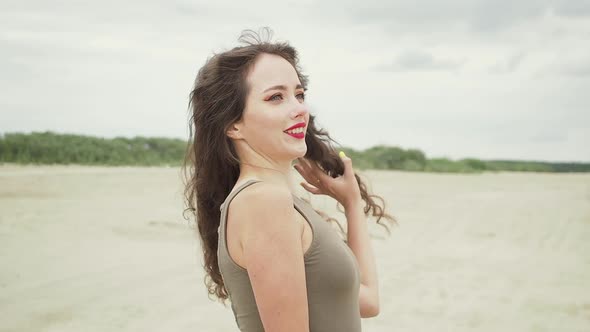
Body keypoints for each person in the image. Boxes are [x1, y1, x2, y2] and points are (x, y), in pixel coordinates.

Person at [183, 28, 396, 331]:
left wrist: (352, 203)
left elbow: (369, 302)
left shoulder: (281, 202)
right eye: (275, 97)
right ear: (233, 125)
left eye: (299, 94)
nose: (299, 109)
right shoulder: (262, 202)